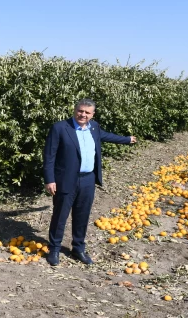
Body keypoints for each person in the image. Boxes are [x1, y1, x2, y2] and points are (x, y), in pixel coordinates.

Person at [42, 98, 136, 266]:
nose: (83, 114)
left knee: (82, 215)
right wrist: (50, 179)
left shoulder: (94, 127)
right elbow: (49, 156)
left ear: (92, 114)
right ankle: (54, 249)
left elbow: (107, 136)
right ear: (74, 110)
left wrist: (127, 139)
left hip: (88, 179)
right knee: (60, 216)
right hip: (65, 179)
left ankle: (78, 248)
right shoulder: (60, 128)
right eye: (80, 111)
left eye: (87, 112)